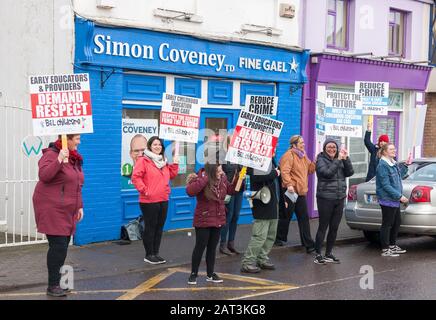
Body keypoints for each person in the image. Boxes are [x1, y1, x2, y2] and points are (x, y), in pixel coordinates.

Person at [32, 134, 84, 297]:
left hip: (68, 209)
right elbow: (44, 175)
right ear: (66, 139)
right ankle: (53, 285)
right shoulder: (51, 154)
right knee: (58, 247)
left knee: (62, 246)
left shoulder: (74, 158)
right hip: (51, 207)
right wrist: (59, 159)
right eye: (76, 138)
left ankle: (58, 283)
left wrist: (80, 206)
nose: (79, 141)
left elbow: (77, 184)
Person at [186, 161, 237, 285]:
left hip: (218, 218)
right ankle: (193, 274)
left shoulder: (222, 179)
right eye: (218, 171)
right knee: (200, 247)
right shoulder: (199, 179)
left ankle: (210, 273)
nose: (222, 173)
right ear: (211, 172)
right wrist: (206, 178)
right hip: (203, 219)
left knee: (212, 248)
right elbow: (190, 192)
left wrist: (238, 179)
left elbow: (231, 190)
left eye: (221, 170)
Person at [132, 136, 179, 265]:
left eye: (159, 145)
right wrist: (145, 190)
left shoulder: (164, 161)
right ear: (149, 146)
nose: (157, 147)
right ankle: (149, 254)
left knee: (159, 228)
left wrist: (175, 163)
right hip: (148, 200)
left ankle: (156, 253)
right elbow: (136, 177)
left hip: (163, 198)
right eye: (154, 144)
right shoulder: (144, 160)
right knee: (150, 227)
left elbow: (172, 175)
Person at [314, 139, 354, 265]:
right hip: (325, 198)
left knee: (334, 228)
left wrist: (346, 159)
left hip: (339, 197)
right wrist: (338, 160)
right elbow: (327, 173)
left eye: (334, 147)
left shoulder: (340, 160)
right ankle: (318, 254)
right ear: (325, 148)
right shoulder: (320, 160)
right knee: (323, 227)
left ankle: (328, 253)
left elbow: (350, 172)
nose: (332, 149)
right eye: (329, 147)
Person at [276, 135, 316, 253]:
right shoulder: (288, 155)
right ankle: (279, 238)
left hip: (300, 191)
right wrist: (289, 184)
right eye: (301, 142)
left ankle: (308, 244)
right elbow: (284, 171)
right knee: (286, 215)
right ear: (294, 144)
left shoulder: (302, 155)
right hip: (290, 190)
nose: (303, 144)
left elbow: (310, 170)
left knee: (303, 217)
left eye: (303, 142)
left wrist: (315, 162)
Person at [241, 160, 281, 274]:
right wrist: (275, 173)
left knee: (271, 234)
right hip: (261, 202)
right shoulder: (255, 160)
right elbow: (256, 178)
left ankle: (262, 258)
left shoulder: (270, 160)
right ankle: (247, 262)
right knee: (260, 236)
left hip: (272, 201)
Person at [376, 143, 409, 257]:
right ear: (385, 152)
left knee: (396, 223)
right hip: (387, 199)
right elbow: (385, 185)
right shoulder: (383, 165)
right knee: (387, 224)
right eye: (391, 149)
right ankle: (385, 249)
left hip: (394, 199)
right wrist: (399, 196)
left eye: (394, 149)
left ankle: (392, 245)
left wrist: (406, 165)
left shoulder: (393, 163)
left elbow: (400, 177)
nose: (394, 150)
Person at [219, 134, 244, 256]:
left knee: (236, 216)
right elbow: (218, 173)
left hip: (239, 189)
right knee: (228, 217)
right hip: (228, 190)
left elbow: (245, 170)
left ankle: (231, 243)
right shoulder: (222, 155)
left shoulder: (240, 156)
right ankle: (222, 244)